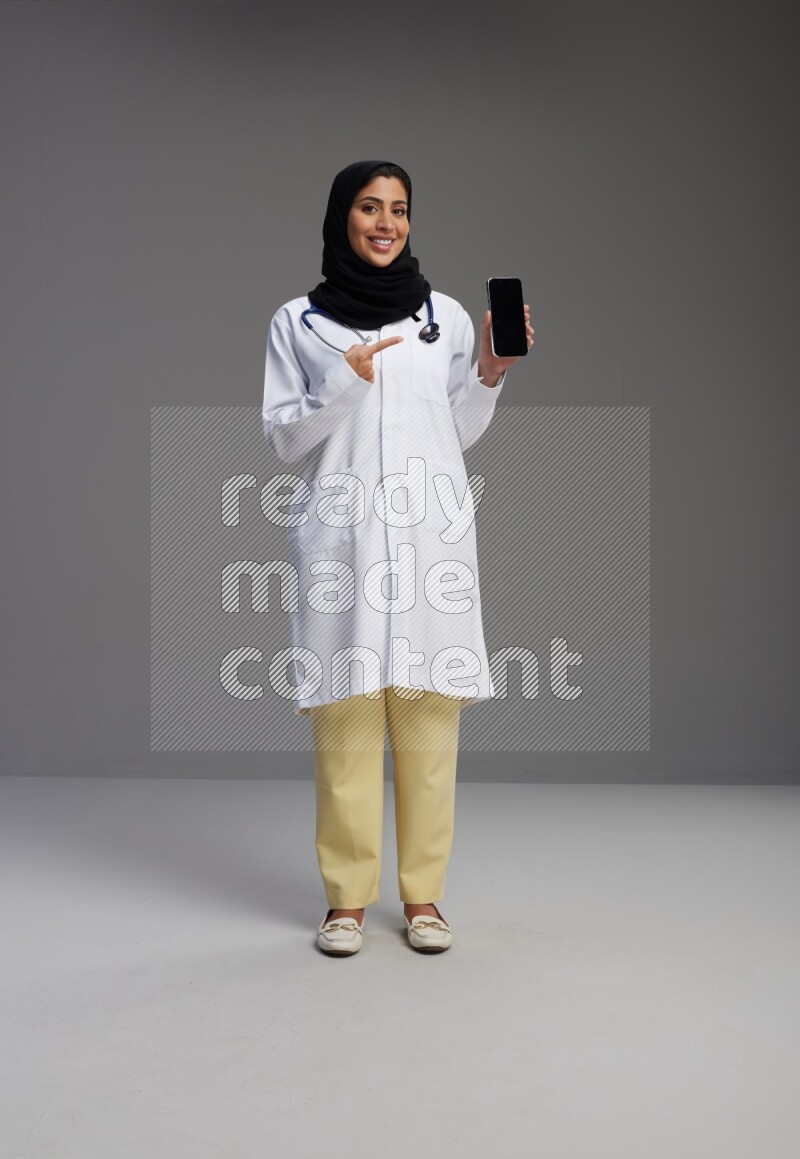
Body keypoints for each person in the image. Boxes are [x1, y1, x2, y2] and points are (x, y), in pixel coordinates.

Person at [261, 160, 533, 955]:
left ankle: (424, 898)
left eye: (400, 209)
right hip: (342, 540)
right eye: (370, 207)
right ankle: (346, 900)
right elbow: (282, 438)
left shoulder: (442, 316)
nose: (386, 222)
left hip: (428, 540)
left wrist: (488, 372)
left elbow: (459, 431)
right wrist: (341, 387)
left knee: (426, 719)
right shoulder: (298, 322)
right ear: (342, 217)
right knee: (344, 718)